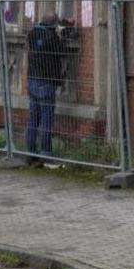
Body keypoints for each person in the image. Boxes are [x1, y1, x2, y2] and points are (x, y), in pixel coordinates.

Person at [21, 10, 80, 163]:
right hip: (46, 83)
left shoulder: (32, 33)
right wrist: (63, 35)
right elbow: (62, 51)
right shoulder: (52, 37)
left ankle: (30, 152)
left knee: (33, 118)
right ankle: (46, 153)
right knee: (46, 120)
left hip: (32, 81)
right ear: (53, 25)